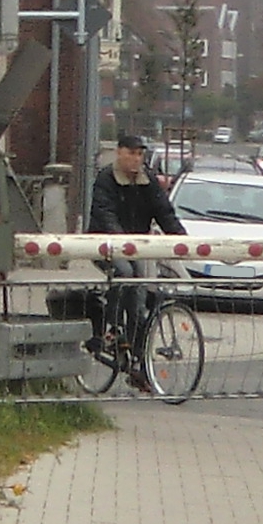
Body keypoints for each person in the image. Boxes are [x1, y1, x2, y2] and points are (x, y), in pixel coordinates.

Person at [85, 133, 189, 390]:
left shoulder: (148, 180)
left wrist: (182, 239)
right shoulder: (105, 179)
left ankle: (135, 355)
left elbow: (163, 211)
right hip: (106, 245)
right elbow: (104, 212)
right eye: (131, 153)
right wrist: (120, 239)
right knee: (124, 272)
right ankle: (111, 326)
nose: (135, 159)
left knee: (141, 292)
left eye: (140, 154)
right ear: (119, 152)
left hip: (137, 247)